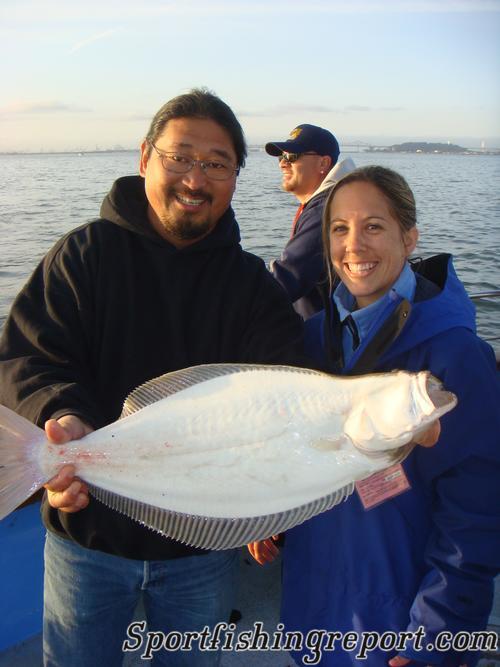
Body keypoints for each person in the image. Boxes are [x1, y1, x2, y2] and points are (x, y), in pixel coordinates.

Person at [0, 89, 304, 666]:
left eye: (217, 164)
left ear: (236, 178)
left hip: (202, 551)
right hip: (85, 537)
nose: (196, 179)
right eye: (180, 158)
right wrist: (60, 416)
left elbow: (285, 397)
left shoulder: (253, 289)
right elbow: (28, 356)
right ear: (145, 158)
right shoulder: (82, 257)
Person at [249, 166, 500, 666]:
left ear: (410, 237)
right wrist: (266, 510)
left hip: (400, 621)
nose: (354, 245)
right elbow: (292, 452)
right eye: (339, 229)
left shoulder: (455, 357)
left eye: (374, 227)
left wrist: (436, 639)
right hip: (311, 609)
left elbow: (473, 519)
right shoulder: (309, 342)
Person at [265, 123, 355, 319]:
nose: (282, 163)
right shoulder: (329, 201)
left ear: (323, 164)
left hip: (326, 339)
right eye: (282, 157)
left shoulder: (325, 210)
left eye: (292, 156)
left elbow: (286, 281)